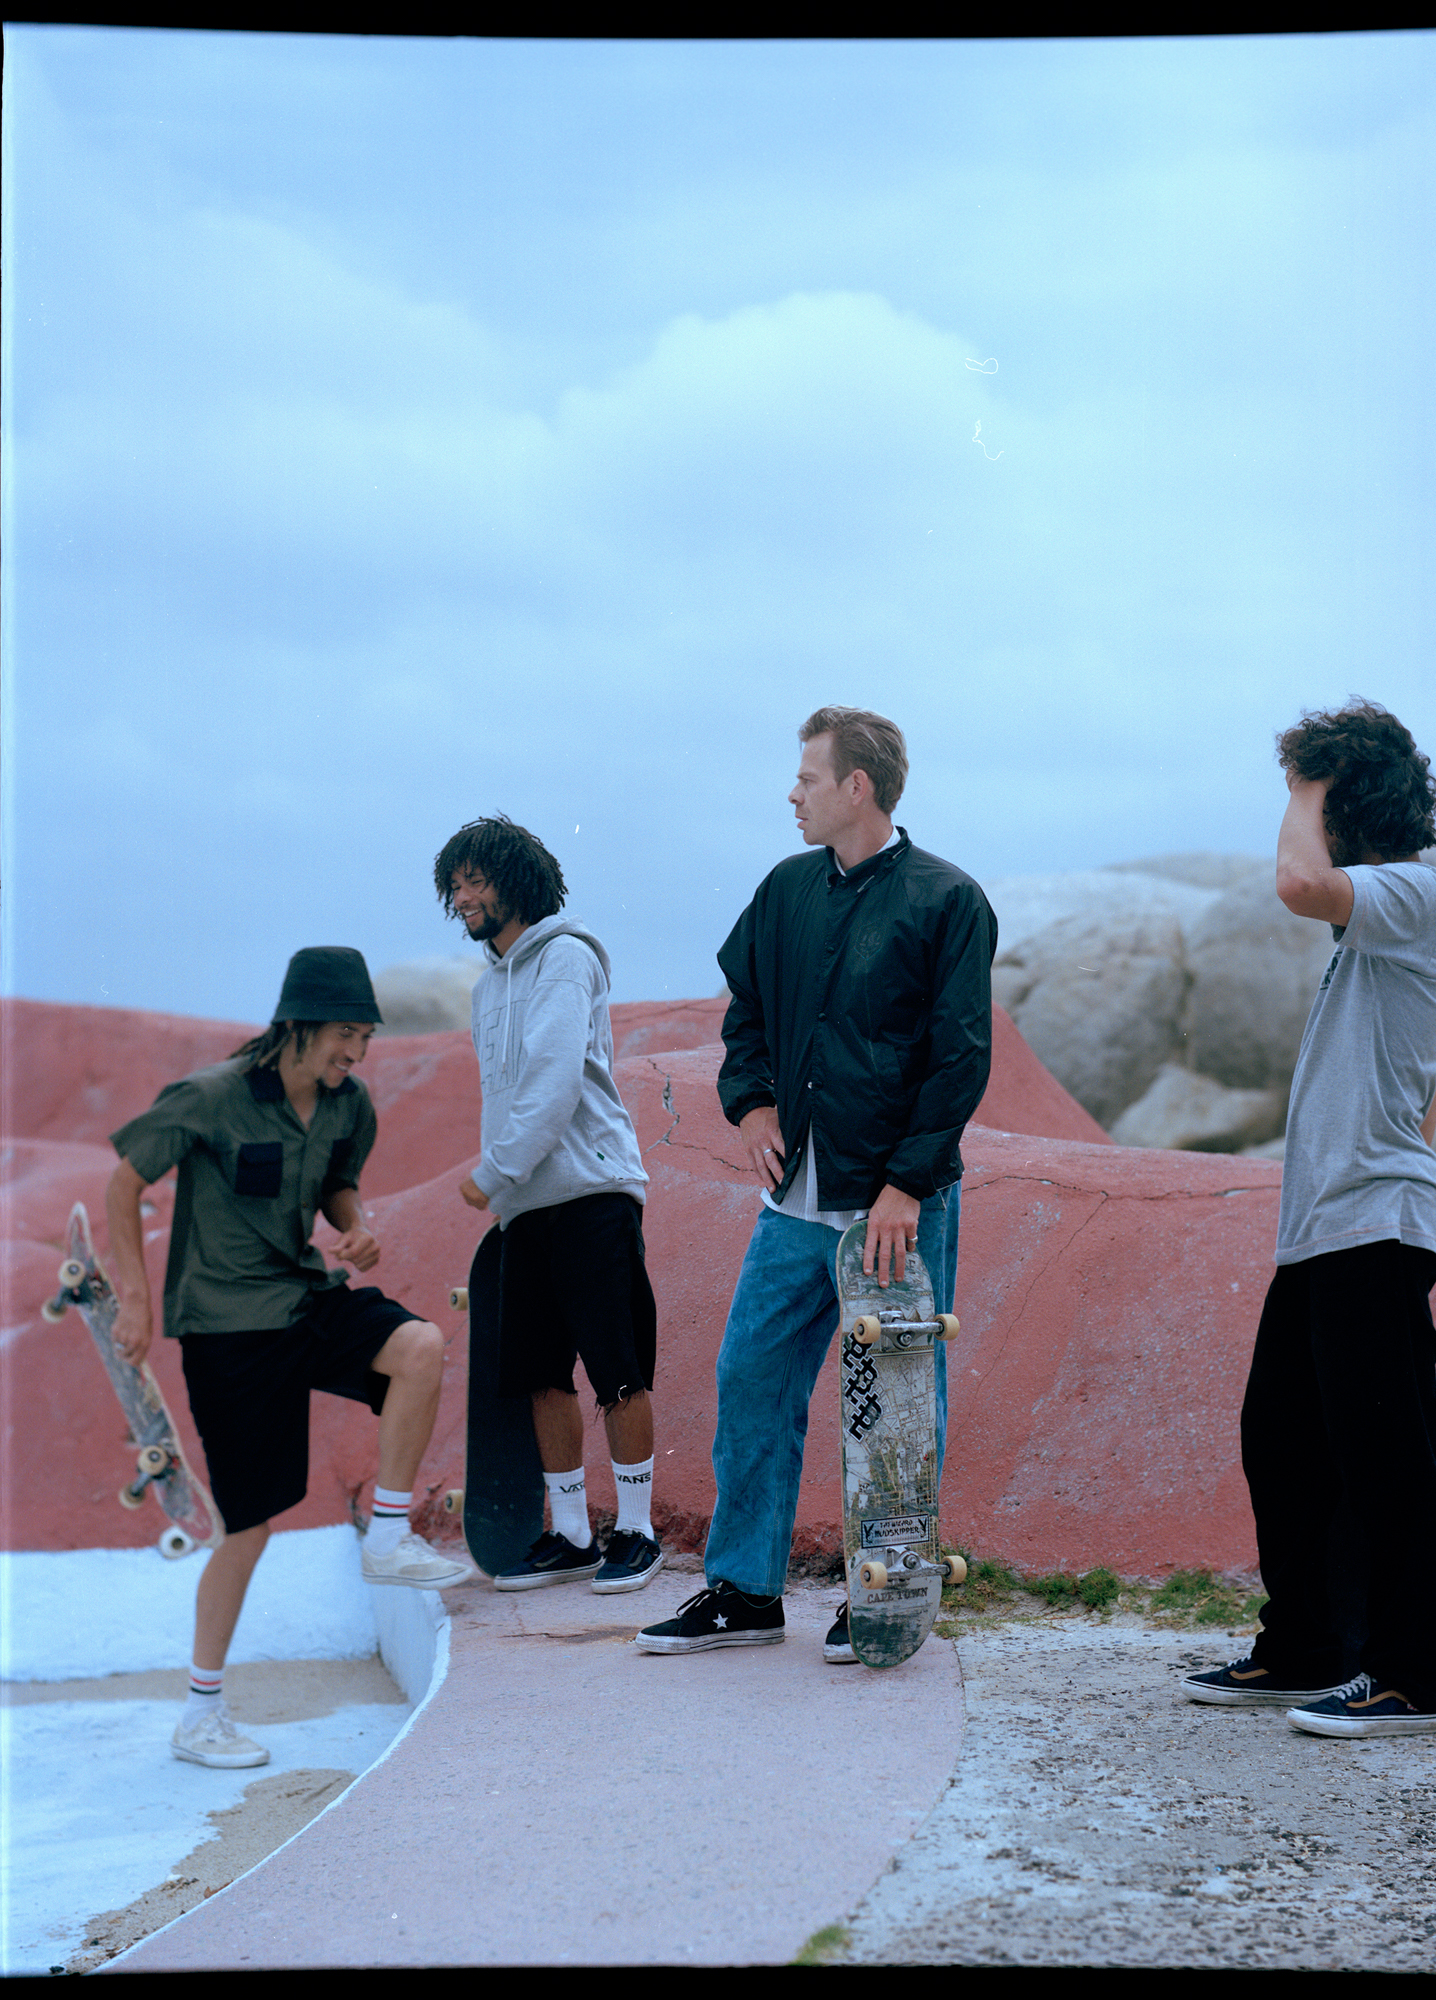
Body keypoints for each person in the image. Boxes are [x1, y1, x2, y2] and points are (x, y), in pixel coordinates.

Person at [636, 706, 996, 1661]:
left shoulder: (947, 902)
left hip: (894, 1211)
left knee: (891, 1407)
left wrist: (908, 1186)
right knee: (750, 1376)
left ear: (857, 788)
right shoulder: (786, 890)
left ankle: (884, 1597)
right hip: (794, 1205)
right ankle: (744, 1592)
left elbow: (959, 1059)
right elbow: (745, 1011)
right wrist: (750, 1104)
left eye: (806, 777)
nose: (791, 793)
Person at [106, 946, 471, 1771]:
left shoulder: (350, 1105)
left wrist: (354, 1221)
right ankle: (200, 1713)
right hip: (227, 1328)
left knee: (417, 1345)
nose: (357, 1053)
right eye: (347, 1034)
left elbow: (335, 1182)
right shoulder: (211, 1098)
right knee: (249, 1528)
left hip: (304, 1297)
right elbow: (123, 1185)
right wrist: (135, 1298)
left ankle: (388, 1534)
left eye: (366, 1038)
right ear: (300, 1024)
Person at [1182, 702, 1436, 1738]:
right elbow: (1423, 1077)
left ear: (1352, 802)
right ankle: (1306, 1646)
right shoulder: (1385, 919)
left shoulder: (1419, 890)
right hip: (1327, 1228)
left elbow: (1298, 882)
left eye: (1315, 801)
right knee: (1285, 1438)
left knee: (1387, 1448)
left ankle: (1407, 1674)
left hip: (1374, 1224)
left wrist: (1309, 778)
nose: (1299, 817)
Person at [434, 814, 663, 1595]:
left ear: (517, 881)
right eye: (455, 884)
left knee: (618, 1370)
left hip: (591, 1191)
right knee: (540, 1375)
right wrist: (507, 1190)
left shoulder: (565, 959)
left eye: (476, 881)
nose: (463, 897)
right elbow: (504, 1093)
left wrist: (493, 1173)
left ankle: (636, 1530)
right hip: (525, 1206)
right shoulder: (484, 988)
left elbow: (557, 1081)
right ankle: (570, 1534)